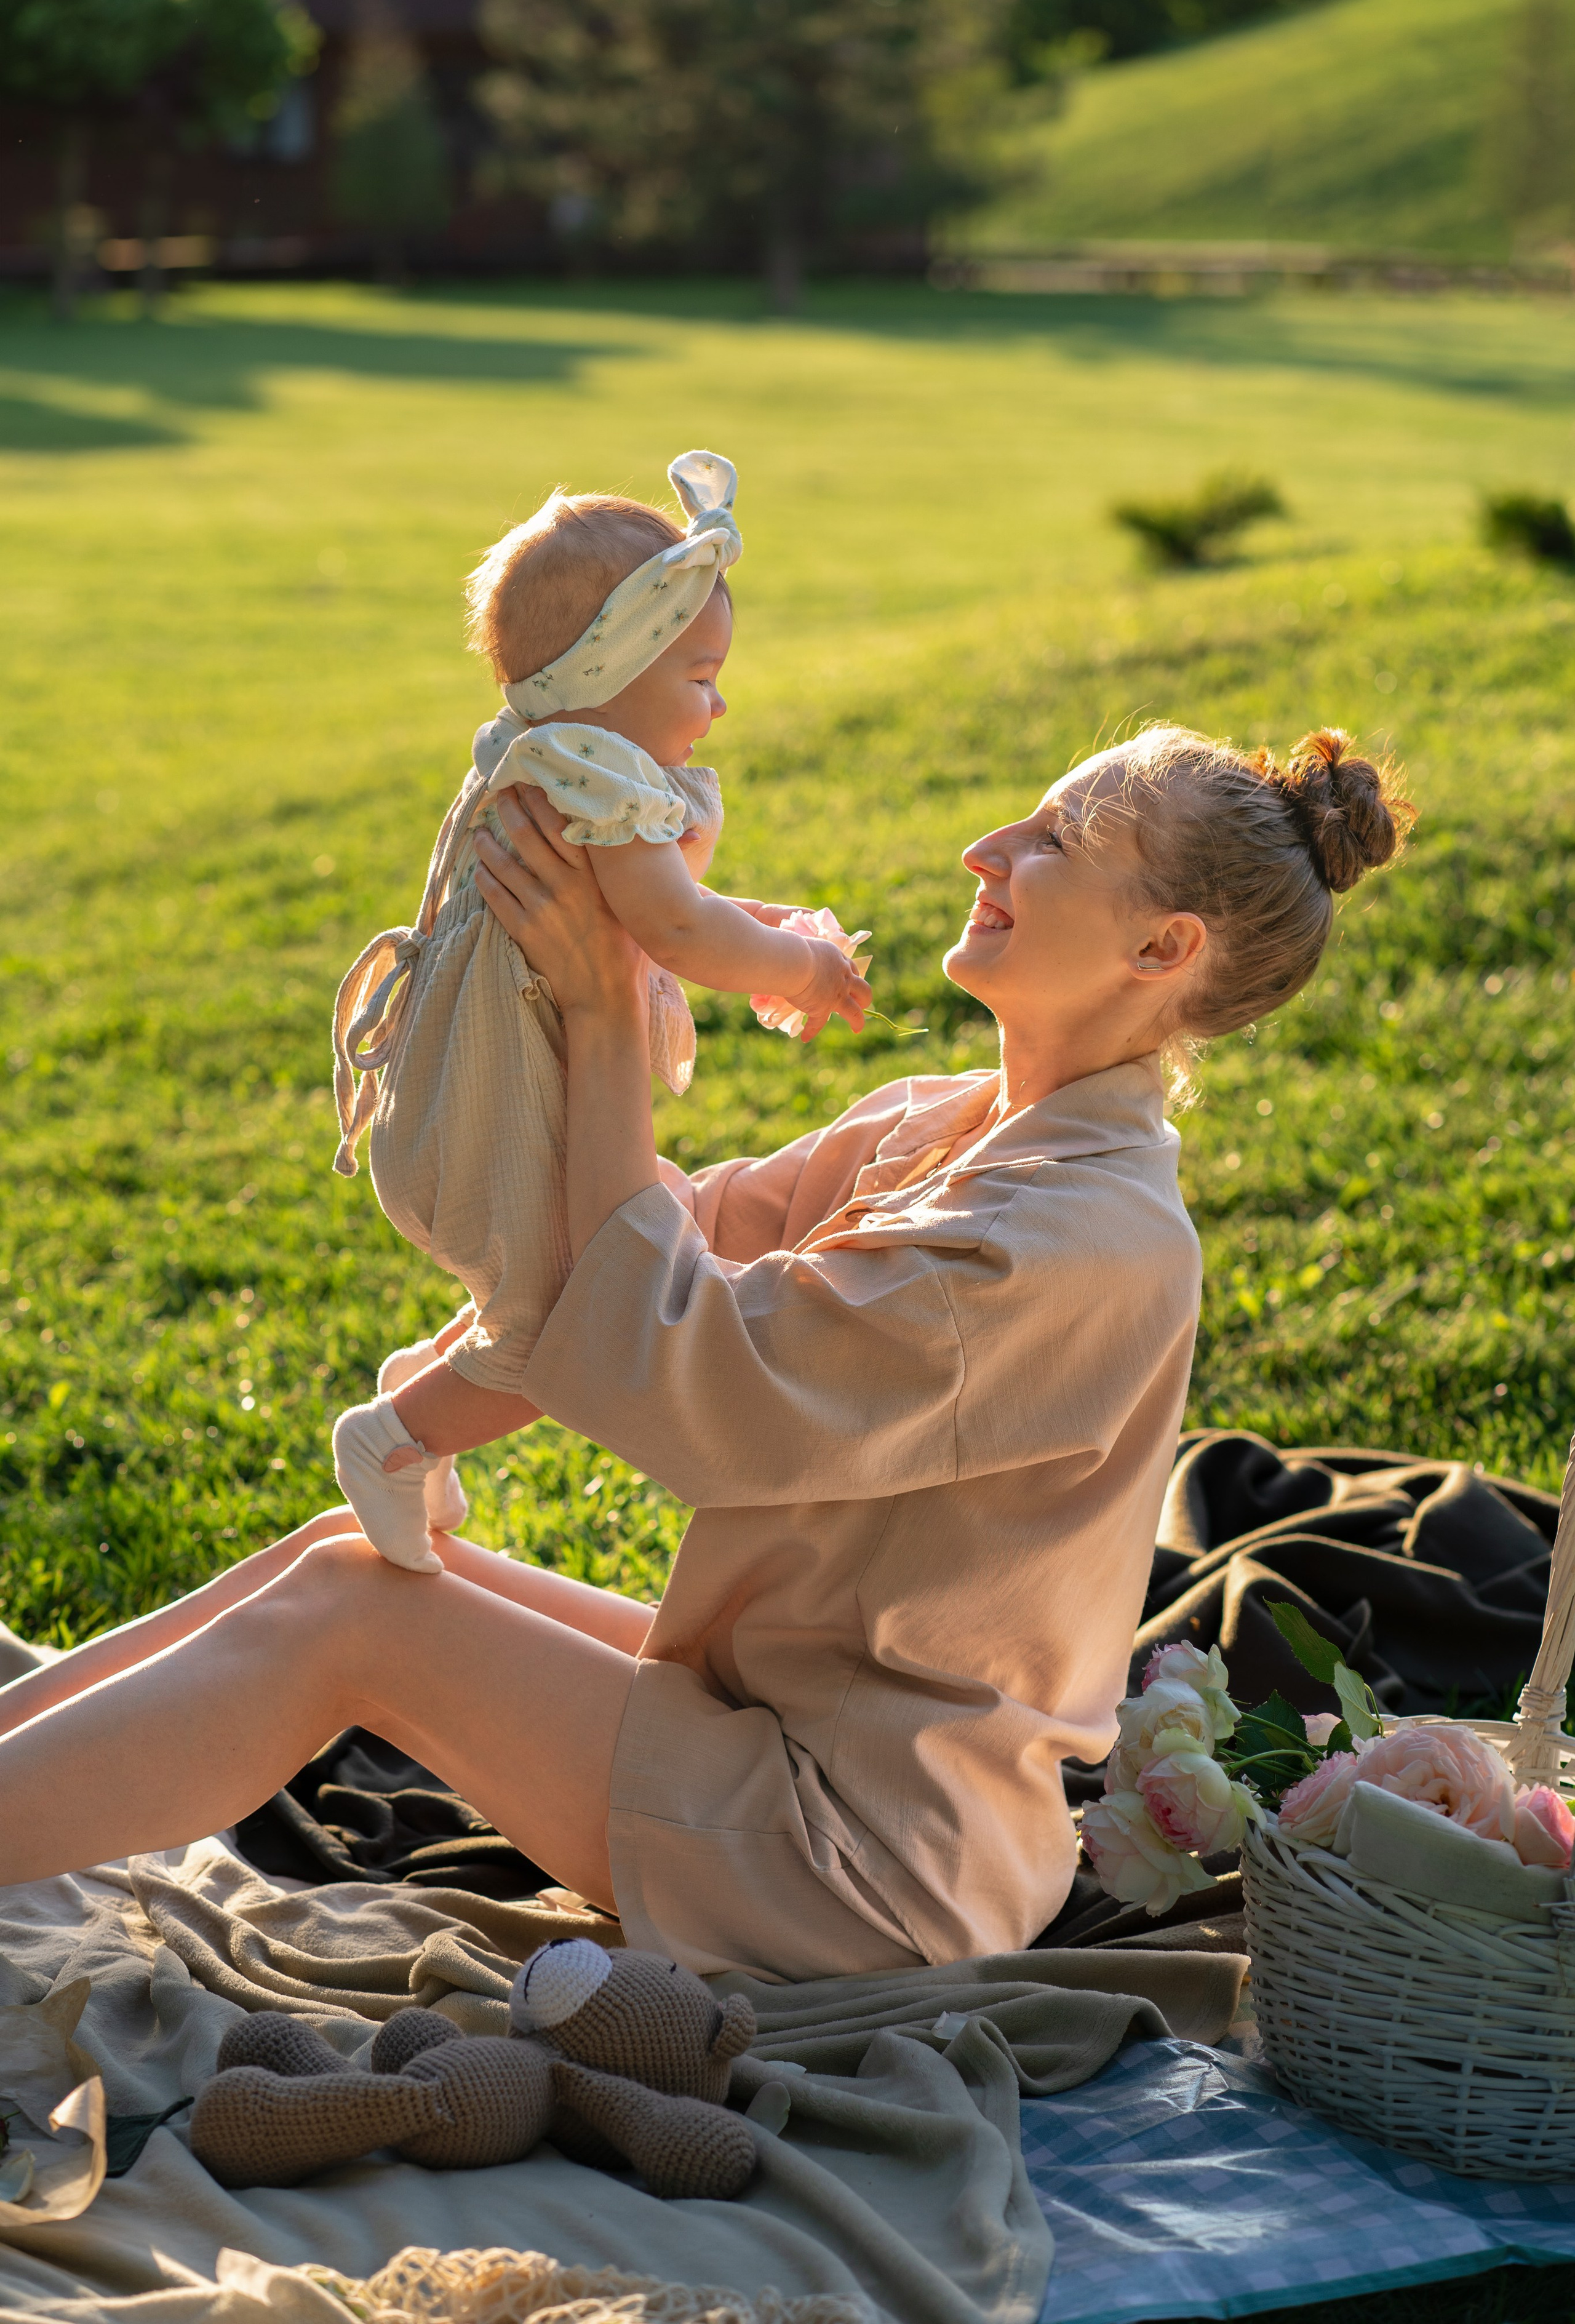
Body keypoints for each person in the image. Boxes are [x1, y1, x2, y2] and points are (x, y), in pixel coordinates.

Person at [0, 724, 1410, 1983]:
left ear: (1160, 949)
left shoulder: (1075, 1241)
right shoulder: (946, 1124)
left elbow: (686, 1370)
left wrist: (611, 1002)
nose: (986, 848)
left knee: (359, 1624)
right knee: (341, 1562)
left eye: (1054, 842)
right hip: (771, 1727)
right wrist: (554, 994)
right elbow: (659, 1226)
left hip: (862, 1861)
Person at [329, 450, 870, 1572]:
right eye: (700, 676)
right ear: (606, 671)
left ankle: (420, 1395)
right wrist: (805, 973)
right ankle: (390, 1442)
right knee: (565, 1330)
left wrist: (773, 935)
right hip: (493, 1106)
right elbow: (673, 931)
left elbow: (660, 910)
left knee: (584, 1267)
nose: (719, 703)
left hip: (497, 1088)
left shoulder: (566, 757)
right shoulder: (594, 772)